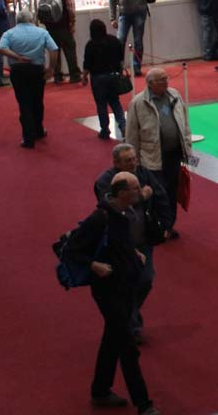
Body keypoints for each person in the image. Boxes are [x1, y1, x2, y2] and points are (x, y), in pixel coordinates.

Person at [62, 172, 159, 414]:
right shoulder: (99, 218)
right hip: (107, 292)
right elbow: (71, 250)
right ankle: (144, 404)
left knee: (112, 340)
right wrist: (94, 265)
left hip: (125, 287)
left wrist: (133, 254)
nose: (140, 192)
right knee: (127, 348)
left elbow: (119, 243)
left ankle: (100, 390)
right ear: (123, 193)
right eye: (135, 189)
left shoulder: (125, 213)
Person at [94, 145, 171, 343]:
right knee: (124, 285)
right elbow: (113, 206)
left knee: (145, 280)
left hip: (143, 240)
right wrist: (142, 197)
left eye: (134, 158)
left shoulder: (143, 174)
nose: (133, 163)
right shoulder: (105, 182)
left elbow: (161, 195)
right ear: (116, 162)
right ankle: (131, 326)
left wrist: (167, 224)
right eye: (128, 160)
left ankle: (129, 315)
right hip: (119, 244)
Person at [126, 68, 193, 237]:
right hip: (152, 157)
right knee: (158, 193)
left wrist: (188, 149)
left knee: (172, 191)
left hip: (174, 154)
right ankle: (158, 225)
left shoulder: (174, 95)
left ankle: (169, 226)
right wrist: (133, 161)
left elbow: (184, 124)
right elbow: (132, 134)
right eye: (161, 80)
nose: (166, 82)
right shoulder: (138, 103)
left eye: (166, 78)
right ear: (150, 84)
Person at [0, 10, 58, 148]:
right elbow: (54, 49)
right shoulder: (42, 32)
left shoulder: (9, 33)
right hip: (37, 70)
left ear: (17, 20)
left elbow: (1, 48)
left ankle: (28, 137)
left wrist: (17, 57)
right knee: (38, 101)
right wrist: (51, 68)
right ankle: (38, 130)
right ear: (32, 19)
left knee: (24, 103)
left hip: (18, 70)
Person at [110, 0, 156, 76]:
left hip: (139, 12)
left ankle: (137, 67)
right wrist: (112, 17)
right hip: (124, 13)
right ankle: (119, 67)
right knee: (120, 40)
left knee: (138, 41)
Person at [83, 18, 128, 141]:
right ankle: (123, 125)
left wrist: (84, 77)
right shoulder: (114, 40)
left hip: (97, 78)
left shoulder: (91, 44)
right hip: (112, 76)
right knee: (115, 102)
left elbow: (87, 64)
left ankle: (105, 129)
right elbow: (121, 58)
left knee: (101, 104)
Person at [47, 0, 81, 83]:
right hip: (64, 27)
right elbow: (71, 11)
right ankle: (74, 75)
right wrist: (72, 24)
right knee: (70, 51)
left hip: (51, 29)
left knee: (55, 52)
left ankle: (57, 76)